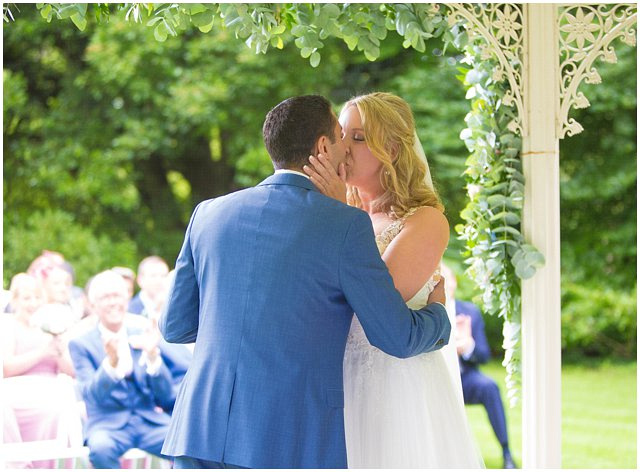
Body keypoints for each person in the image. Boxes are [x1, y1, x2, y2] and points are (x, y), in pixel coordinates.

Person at [159, 95, 451, 469]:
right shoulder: (342, 225)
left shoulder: (208, 214)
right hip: (288, 435)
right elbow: (395, 334)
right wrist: (439, 316)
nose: (347, 146)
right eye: (343, 136)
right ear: (323, 146)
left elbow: (175, 326)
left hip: (199, 430)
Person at [304, 92, 483, 467]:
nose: (344, 148)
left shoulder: (425, 221)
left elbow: (373, 303)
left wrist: (333, 212)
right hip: (334, 381)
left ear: (393, 150)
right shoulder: (337, 213)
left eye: (359, 137)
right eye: (342, 135)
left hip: (394, 386)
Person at [68, 270, 176, 469]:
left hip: (149, 421)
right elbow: (91, 396)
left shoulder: (143, 334)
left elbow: (167, 396)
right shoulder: (81, 344)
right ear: (93, 305)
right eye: (105, 297)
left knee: (186, 442)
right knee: (101, 449)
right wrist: (111, 364)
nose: (112, 302)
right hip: (107, 424)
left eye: (117, 295)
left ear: (127, 298)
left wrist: (152, 356)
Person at [441, 264, 517, 469]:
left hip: (466, 379)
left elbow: (483, 355)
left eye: (447, 279)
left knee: (489, 387)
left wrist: (467, 346)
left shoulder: (470, 312)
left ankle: (507, 452)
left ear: (455, 282)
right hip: (439, 380)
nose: (444, 284)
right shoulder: (426, 309)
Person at [1, 273, 79, 468]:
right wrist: (43, 352)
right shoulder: (8, 325)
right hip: (17, 390)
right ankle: (19, 465)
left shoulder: (50, 325)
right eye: (27, 298)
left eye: (37, 297)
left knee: (61, 409)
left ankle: (52, 465)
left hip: (51, 388)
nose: (33, 303)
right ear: (15, 300)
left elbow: (70, 370)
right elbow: (7, 368)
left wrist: (59, 349)